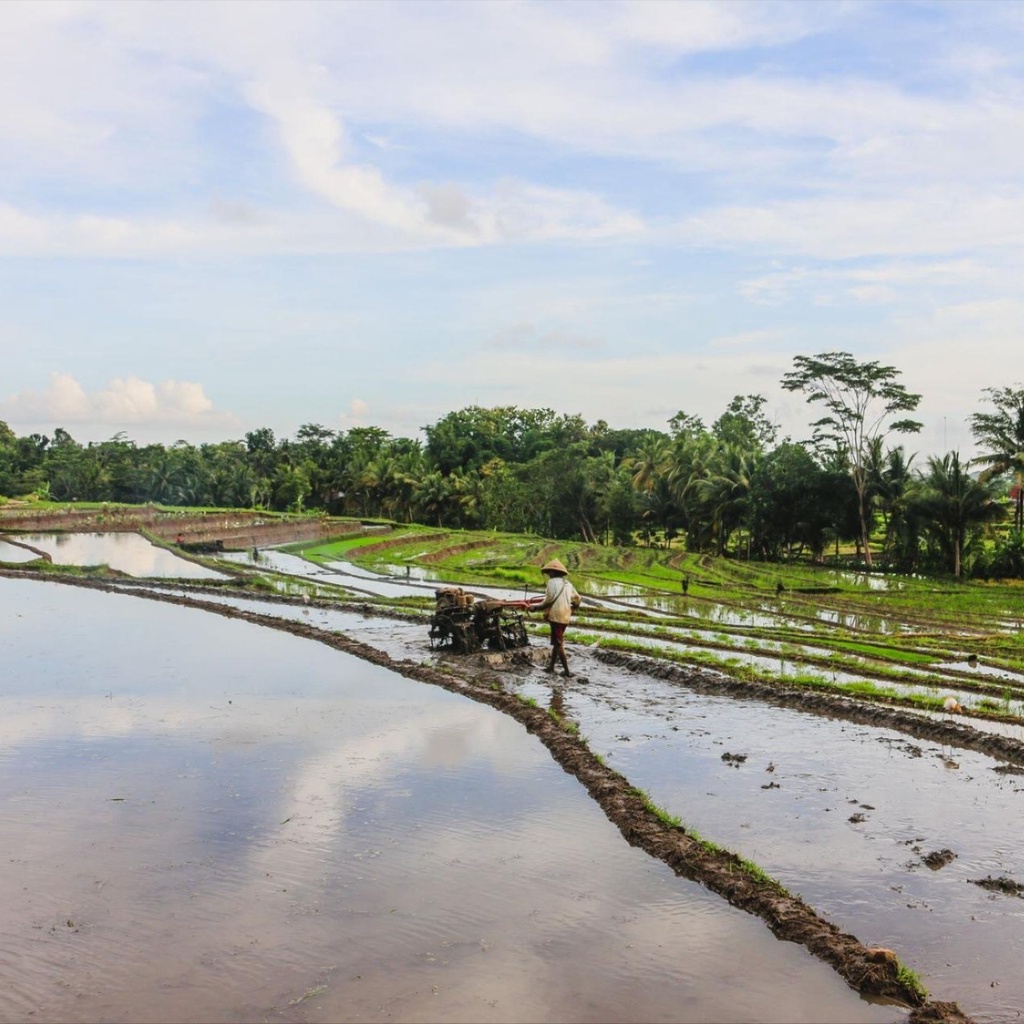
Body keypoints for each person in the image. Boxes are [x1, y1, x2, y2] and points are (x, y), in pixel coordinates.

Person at [532, 558, 581, 677]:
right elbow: (577, 599)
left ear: (553, 573)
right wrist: (573, 609)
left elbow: (547, 601)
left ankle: (567, 671)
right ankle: (551, 667)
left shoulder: (551, 583)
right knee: (556, 642)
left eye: (549, 572)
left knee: (558, 644)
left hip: (556, 617)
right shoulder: (568, 584)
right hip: (565, 616)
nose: (548, 574)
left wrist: (535, 608)